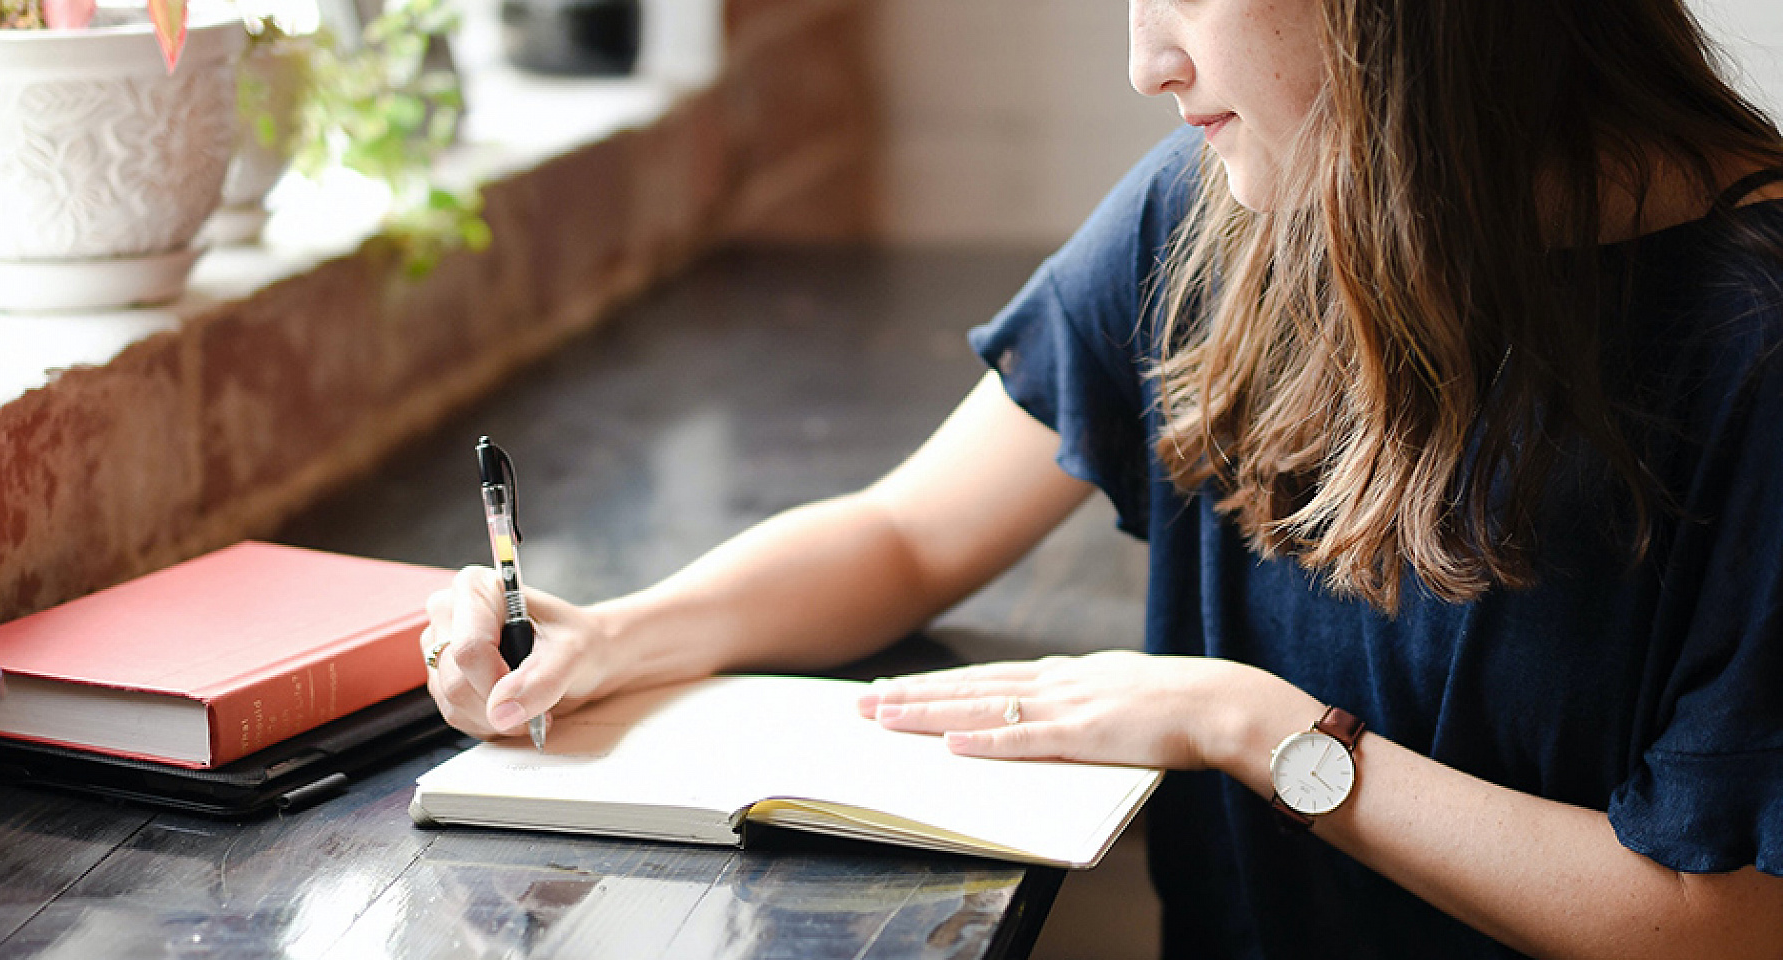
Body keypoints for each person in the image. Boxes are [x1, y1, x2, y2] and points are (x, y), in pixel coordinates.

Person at [419, 0, 1783, 955]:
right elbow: (907, 532)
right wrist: (613, 636)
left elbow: (1718, 925)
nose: (1145, 61)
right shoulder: (1225, 210)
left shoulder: (1757, 347)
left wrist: (1257, 729)